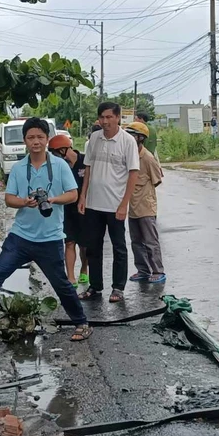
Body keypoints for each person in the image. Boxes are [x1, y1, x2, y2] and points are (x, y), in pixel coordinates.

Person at [0, 118, 91, 342]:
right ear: (25, 140)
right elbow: (9, 199)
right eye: (31, 137)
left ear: (47, 139)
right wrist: (24, 202)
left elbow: (73, 195)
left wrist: (53, 199)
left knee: (61, 284)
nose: (35, 142)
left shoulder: (60, 165)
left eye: (40, 137)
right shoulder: (19, 168)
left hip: (50, 238)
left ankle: (81, 323)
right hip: (21, 237)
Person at [78, 102, 140, 303]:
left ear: (118, 118)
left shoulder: (128, 141)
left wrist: (124, 204)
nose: (105, 121)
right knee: (92, 247)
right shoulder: (94, 139)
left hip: (115, 206)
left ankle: (118, 288)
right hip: (93, 204)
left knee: (119, 248)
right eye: (102, 117)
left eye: (109, 117)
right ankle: (95, 287)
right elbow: (87, 168)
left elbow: (133, 174)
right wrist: (82, 196)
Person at [124, 122, 166, 284]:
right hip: (132, 207)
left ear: (141, 138)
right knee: (136, 242)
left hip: (146, 207)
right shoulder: (129, 156)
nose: (129, 138)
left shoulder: (148, 158)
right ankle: (143, 270)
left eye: (132, 135)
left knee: (150, 241)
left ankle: (157, 270)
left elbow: (156, 180)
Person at [49, 133, 89, 287]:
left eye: (55, 153)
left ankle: (84, 270)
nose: (54, 156)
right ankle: (71, 277)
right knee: (69, 242)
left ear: (63, 149)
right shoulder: (59, 166)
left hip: (85, 208)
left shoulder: (85, 161)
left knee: (84, 244)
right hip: (66, 208)